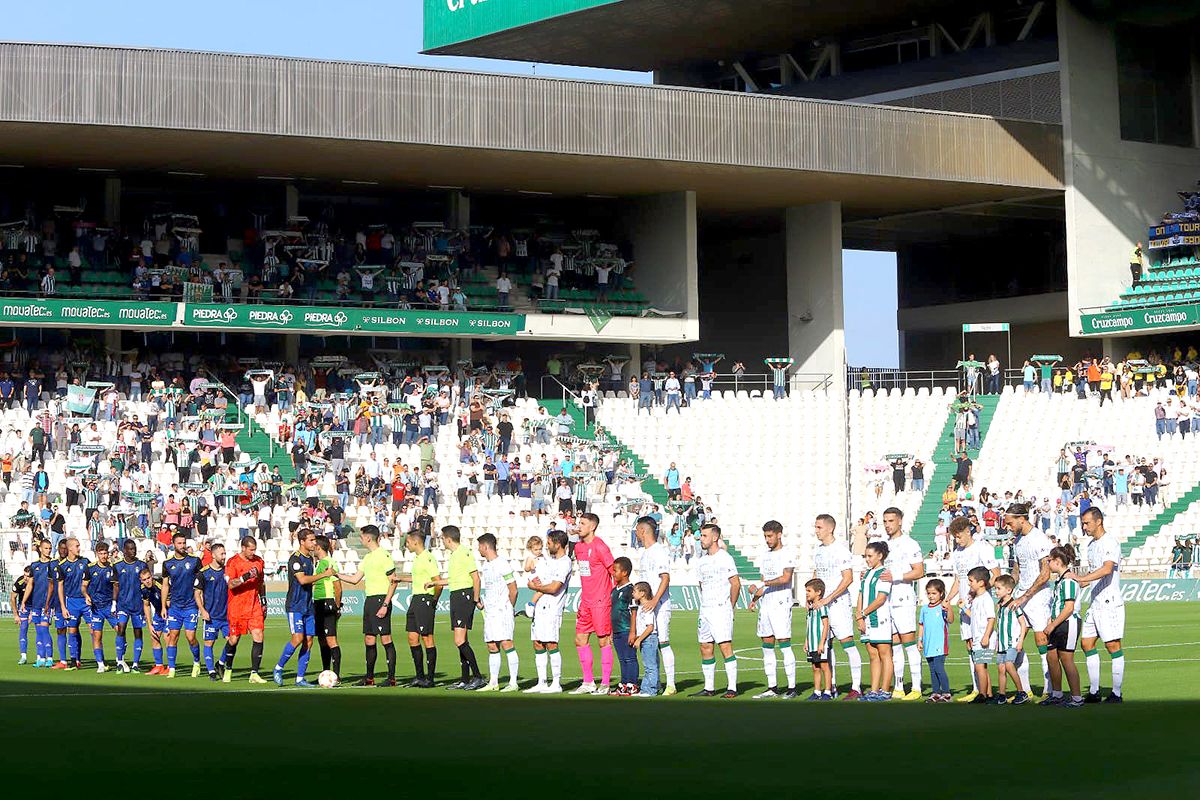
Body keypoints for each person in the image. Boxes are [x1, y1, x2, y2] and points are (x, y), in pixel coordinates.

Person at [1068, 507, 1125, 703]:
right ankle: (1094, 691)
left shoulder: (1110, 543)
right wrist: (1074, 582)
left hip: (1109, 602)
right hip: (1095, 602)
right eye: (1083, 523)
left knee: (1112, 645)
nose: (1084, 527)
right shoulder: (1091, 545)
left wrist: (1082, 577)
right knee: (1087, 643)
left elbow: (1107, 569)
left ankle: (1116, 693)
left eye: (1087, 523)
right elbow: (1091, 577)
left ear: (1098, 521)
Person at [945, 516, 999, 702]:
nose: (957, 541)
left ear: (968, 531)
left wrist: (980, 595)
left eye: (959, 537)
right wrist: (948, 599)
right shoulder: (957, 553)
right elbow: (959, 579)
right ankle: (979, 689)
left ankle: (985, 691)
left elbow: (996, 575)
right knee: (970, 646)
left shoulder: (982, 548)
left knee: (981, 649)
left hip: (979, 607)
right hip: (964, 607)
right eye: (955, 538)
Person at [424, 525, 485, 690]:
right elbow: (453, 579)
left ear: (448, 539)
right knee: (462, 640)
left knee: (459, 640)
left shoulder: (464, 553)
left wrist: (475, 599)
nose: (442, 541)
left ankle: (478, 677)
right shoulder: (455, 555)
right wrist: (434, 582)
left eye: (443, 538)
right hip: (457, 595)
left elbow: (476, 578)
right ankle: (465, 679)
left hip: (463, 597)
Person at [337, 525, 398, 687]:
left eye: (362, 537)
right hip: (370, 600)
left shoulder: (384, 556)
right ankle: (369, 677)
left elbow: (393, 581)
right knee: (369, 639)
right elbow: (355, 579)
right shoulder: (368, 558)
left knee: (386, 638)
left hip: (381, 600)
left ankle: (391, 678)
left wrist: (385, 604)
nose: (361, 539)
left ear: (369, 538)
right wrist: (336, 574)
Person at [811, 513, 863, 699]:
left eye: (819, 527)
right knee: (825, 646)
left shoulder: (840, 550)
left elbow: (848, 578)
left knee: (847, 644)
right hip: (821, 605)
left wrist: (829, 598)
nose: (816, 531)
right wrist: (812, 599)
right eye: (815, 527)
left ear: (830, 528)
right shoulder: (818, 551)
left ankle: (856, 686)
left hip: (838, 604)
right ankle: (829, 687)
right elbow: (816, 577)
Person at [1005, 503, 1053, 700]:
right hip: (1021, 594)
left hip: (1038, 596)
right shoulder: (1017, 541)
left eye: (1009, 523)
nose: (1007, 526)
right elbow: (1017, 570)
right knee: (1016, 640)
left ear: (1021, 519)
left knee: (1042, 641)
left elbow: (1046, 572)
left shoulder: (1039, 539)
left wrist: (1027, 595)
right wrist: (1009, 591)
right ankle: (1024, 690)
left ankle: (1049, 689)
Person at [274, 529, 332, 688]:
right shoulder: (295, 559)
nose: (314, 543)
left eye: (315, 540)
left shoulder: (310, 559)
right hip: (295, 605)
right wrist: (324, 575)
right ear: (302, 541)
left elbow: (310, 582)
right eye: (311, 540)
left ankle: (300, 678)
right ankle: (278, 668)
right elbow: (303, 580)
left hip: (307, 606)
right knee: (298, 638)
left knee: (309, 640)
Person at [747, 520, 796, 699]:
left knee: (784, 645)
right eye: (765, 536)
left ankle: (791, 688)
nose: (767, 540)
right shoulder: (764, 555)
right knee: (767, 646)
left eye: (770, 536)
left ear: (779, 534)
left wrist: (763, 584)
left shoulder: (787, 553)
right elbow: (763, 580)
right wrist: (755, 597)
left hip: (781, 604)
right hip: (766, 604)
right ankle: (772, 687)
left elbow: (785, 578)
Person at [879, 507, 924, 701]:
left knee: (909, 644)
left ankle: (916, 687)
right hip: (887, 601)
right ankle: (898, 686)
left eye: (891, 521)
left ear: (900, 521)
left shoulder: (910, 544)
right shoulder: (884, 546)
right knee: (894, 645)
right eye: (885, 521)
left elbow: (919, 571)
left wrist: (896, 576)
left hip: (903, 599)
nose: (888, 525)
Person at [692, 523, 740, 698]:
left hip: (721, 609)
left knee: (725, 646)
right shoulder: (701, 561)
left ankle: (732, 688)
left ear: (714, 537)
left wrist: (730, 606)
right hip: (705, 609)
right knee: (705, 646)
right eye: (701, 536)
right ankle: (709, 688)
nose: (701, 539)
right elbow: (701, 584)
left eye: (704, 536)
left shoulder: (725, 558)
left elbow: (735, 584)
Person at [571, 512, 614, 694]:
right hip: (586, 602)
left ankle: (605, 683)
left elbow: (614, 571)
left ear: (592, 527)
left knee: (603, 640)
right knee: (580, 639)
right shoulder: (578, 547)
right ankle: (588, 682)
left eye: (583, 523)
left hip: (601, 601)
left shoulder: (600, 547)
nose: (579, 526)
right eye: (578, 522)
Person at [524, 530, 571, 694]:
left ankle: (556, 683)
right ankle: (542, 681)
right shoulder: (548, 561)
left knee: (551, 644)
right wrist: (533, 583)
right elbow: (537, 578)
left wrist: (536, 587)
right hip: (540, 609)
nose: (547, 546)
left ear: (558, 544)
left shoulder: (565, 562)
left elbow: (554, 587)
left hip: (552, 609)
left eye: (549, 543)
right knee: (538, 643)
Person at [393, 530, 439, 687]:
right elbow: (419, 578)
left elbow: (437, 581)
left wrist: (434, 600)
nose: (406, 545)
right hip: (415, 599)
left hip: (425, 599)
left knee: (427, 637)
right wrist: (400, 578)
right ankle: (419, 676)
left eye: (407, 542)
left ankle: (430, 678)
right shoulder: (418, 559)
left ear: (415, 542)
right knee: (412, 637)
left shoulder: (428, 558)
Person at [635, 516, 675, 694]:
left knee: (663, 642)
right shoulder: (645, 553)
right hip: (648, 605)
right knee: (650, 643)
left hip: (659, 604)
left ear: (643, 531)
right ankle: (656, 682)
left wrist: (654, 600)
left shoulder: (659, 550)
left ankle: (671, 684)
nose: (635, 533)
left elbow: (665, 577)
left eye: (637, 530)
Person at [476, 533, 519, 692]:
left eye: (479, 546)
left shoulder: (502, 564)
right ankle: (493, 682)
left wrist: (509, 607)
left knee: (507, 643)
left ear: (486, 546)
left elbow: (513, 590)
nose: (478, 549)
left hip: (502, 610)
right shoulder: (486, 565)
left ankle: (513, 682)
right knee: (492, 645)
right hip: (490, 612)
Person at [1042, 545, 1084, 707]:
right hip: (1058, 623)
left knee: (1067, 660)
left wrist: (1052, 625)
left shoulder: (1068, 581)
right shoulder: (1061, 580)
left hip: (1068, 623)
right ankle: (1057, 694)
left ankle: (1077, 698)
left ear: (1058, 561)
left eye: (1050, 560)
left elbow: (1069, 608)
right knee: (1051, 656)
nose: (1048, 563)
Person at [224, 536, 269, 684]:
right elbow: (230, 584)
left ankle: (254, 673)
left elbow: (261, 583)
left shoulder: (259, 561)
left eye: (254, 549)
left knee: (258, 634)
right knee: (234, 639)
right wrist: (246, 577)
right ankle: (227, 668)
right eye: (251, 549)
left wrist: (263, 600)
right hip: (237, 605)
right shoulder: (232, 562)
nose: (253, 552)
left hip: (254, 604)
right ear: (243, 548)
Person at [160, 532, 203, 678]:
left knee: (190, 637)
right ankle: (172, 668)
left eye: (184, 543)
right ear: (173, 545)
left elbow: (201, 584)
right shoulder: (167, 564)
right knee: (173, 636)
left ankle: (197, 662)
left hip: (191, 605)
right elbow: (165, 586)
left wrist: (202, 604)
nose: (182, 546)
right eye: (179, 543)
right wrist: (163, 607)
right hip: (175, 607)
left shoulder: (195, 561)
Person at [856, 541, 893, 701]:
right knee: (872, 655)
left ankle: (885, 690)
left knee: (885, 654)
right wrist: (859, 616)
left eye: (870, 556)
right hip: (866, 619)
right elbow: (860, 595)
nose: (867, 559)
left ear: (880, 556)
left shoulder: (884, 574)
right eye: (866, 556)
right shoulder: (866, 573)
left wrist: (862, 613)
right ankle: (874, 690)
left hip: (879, 619)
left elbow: (880, 599)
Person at [194, 542, 230, 681]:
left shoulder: (228, 571)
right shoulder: (203, 573)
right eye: (222, 554)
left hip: (227, 615)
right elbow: (197, 594)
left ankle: (220, 663)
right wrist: (202, 610)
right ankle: (211, 672)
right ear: (213, 555)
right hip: (211, 615)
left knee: (232, 641)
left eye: (225, 553)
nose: (224, 556)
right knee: (209, 642)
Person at [994, 574, 1030, 704]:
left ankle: (1021, 692)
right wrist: (997, 642)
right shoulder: (999, 605)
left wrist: (1020, 641)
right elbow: (999, 625)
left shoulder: (1014, 605)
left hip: (1012, 642)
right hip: (1002, 644)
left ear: (1008, 590)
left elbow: (1023, 623)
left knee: (1009, 665)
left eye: (998, 588)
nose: (996, 591)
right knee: (1001, 668)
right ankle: (1002, 694)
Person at [113, 539, 149, 672]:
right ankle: (120, 661)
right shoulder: (117, 566)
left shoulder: (142, 565)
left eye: (134, 548)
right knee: (121, 629)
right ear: (124, 551)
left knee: (138, 633)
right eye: (130, 549)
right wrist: (113, 603)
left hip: (138, 605)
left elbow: (147, 584)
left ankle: (135, 664)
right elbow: (116, 586)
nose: (133, 551)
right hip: (123, 604)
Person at [53, 537, 89, 669]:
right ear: (70, 548)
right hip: (71, 601)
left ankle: (100, 661)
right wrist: (63, 606)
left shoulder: (85, 562)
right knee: (72, 630)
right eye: (77, 546)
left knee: (94, 629)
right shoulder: (62, 566)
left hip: (85, 601)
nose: (79, 548)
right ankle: (74, 660)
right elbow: (60, 587)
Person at [82, 541, 117, 673]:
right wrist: (86, 595)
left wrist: (115, 602)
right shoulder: (90, 568)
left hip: (109, 606)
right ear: (97, 554)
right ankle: (100, 664)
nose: (103, 556)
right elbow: (84, 586)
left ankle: (120, 660)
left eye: (105, 553)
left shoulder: (113, 568)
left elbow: (116, 587)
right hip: (96, 608)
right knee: (96, 635)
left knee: (120, 631)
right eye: (101, 553)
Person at [312, 535, 343, 679]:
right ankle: (326, 672)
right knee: (322, 639)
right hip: (318, 603)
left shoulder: (329, 562)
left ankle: (336, 675)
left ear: (318, 547)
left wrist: (337, 606)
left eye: (314, 544)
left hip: (327, 602)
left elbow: (338, 587)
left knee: (331, 639)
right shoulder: (319, 563)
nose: (312, 547)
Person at [966, 566, 998, 704]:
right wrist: (963, 608)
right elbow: (974, 617)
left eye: (971, 580)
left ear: (981, 582)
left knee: (979, 666)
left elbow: (991, 618)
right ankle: (988, 693)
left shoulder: (986, 599)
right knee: (982, 666)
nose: (969, 583)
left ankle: (982, 694)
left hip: (984, 638)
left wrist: (986, 636)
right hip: (978, 637)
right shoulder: (977, 599)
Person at [918, 579, 951, 703]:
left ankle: (946, 693)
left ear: (941, 593)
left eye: (934, 593)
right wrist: (920, 640)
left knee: (939, 668)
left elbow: (950, 619)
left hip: (940, 644)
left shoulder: (942, 607)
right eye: (929, 593)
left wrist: (949, 609)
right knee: (932, 670)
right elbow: (921, 625)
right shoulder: (924, 609)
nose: (931, 596)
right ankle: (936, 693)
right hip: (928, 644)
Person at [610, 557, 638, 696]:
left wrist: (633, 631)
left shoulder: (631, 590)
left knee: (630, 657)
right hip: (616, 631)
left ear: (625, 572)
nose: (613, 573)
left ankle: (632, 684)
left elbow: (634, 611)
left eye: (616, 570)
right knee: (622, 659)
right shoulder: (614, 590)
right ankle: (624, 684)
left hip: (627, 629)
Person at [804, 579, 832, 701]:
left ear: (818, 592)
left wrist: (822, 642)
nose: (806, 593)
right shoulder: (810, 608)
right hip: (812, 643)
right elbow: (809, 626)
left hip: (820, 643)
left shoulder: (822, 607)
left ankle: (827, 691)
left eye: (809, 591)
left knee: (825, 666)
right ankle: (817, 691)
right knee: (815, 667)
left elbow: (826, 625)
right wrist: (806, 641)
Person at [631, 581, 659, 697]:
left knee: (650, 666)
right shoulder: (641, 607)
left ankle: (651, 690)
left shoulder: (647, 608)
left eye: (634, 591)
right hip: (645, 639)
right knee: (647, 665)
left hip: (649, 639)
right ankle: (645, 689)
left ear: (642, 593)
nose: (632, 593)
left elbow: (650, 627)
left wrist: (639, 639)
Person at [138, 567, 167, 675]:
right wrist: (149, 624)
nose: (147, 581)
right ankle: (159, 666)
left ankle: (170, 667)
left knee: (167, 637)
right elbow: (146, 606)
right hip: (158, 614)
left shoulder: (160, 584)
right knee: (154, 637)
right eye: (144, 580)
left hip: (170, 612)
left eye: (149, 578)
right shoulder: (143, 589)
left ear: (152, 576)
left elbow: (170, 600)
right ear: (141, 580)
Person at [11, 566, 31, 665]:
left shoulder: (37, 581)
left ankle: (42, 657)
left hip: (37, 606)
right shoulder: (20, 582)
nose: (25, 578)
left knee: (41, 629)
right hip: (24, 607)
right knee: (23, 629)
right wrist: (16, 615)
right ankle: (23, 656)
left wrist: (33, 613)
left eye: (28, 576)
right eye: (24, 575)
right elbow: (13, 597)